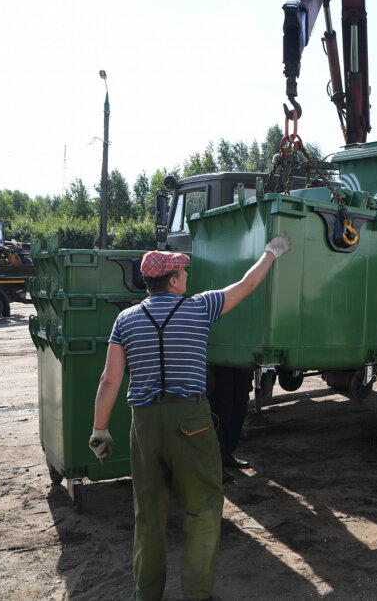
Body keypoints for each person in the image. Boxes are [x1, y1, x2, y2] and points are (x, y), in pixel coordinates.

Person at [89, 233, 291, 601]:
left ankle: (145, 595)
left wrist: (99, 429)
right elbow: (247, 285)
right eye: (182, 271)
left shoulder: (125, 320)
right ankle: (197, 595)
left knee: (148, 515)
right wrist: (271, 253)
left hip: (145, 424)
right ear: (172, 280)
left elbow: (109, 380)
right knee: (202, 507)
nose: (186, 275)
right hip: (191, 421)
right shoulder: (199, 308)